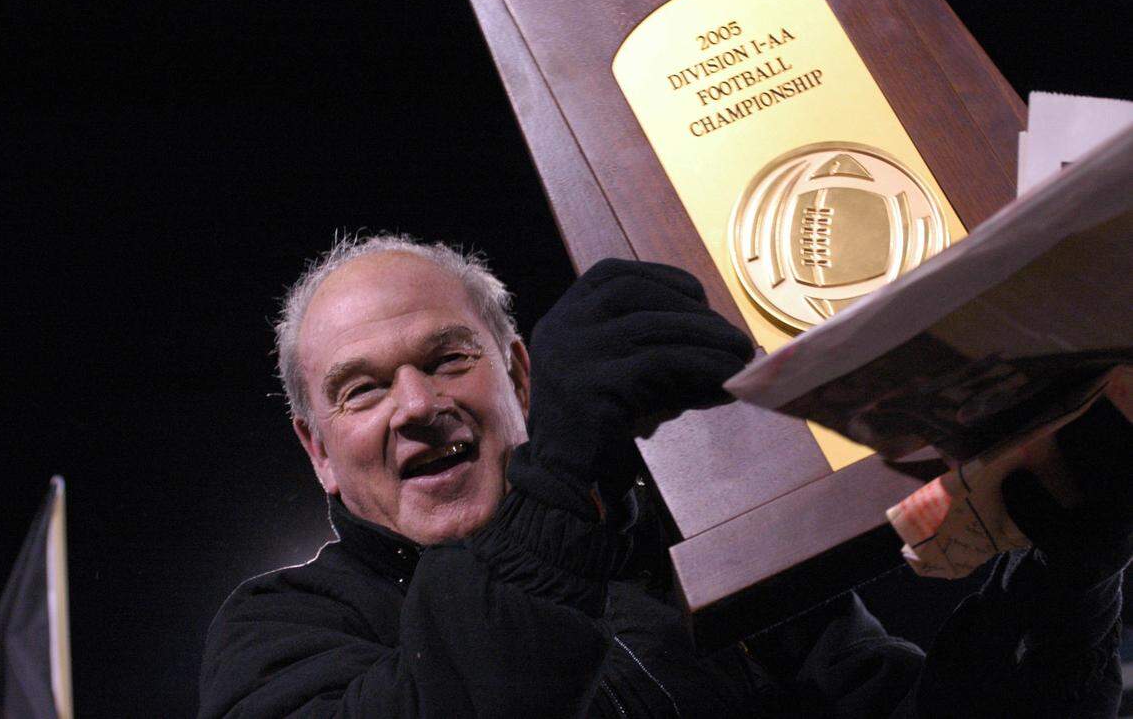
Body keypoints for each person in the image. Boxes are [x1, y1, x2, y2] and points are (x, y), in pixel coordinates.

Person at [199, 234, 1130, 717]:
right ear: (317, 449)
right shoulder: (280, 630)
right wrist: (555, 476)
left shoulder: (699, 550)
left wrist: (1062, 580)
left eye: (448, 360)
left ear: (522, 375)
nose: (415, 405)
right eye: (361, 391)